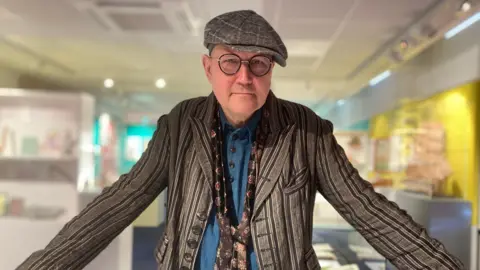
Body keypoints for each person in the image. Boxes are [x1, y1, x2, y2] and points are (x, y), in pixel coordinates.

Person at [18, 9, 463, 270]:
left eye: (259, 64)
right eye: (230, 62)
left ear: (271, 72)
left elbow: (372, 214)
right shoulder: (179, 126)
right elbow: (115, 207)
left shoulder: (307, 131)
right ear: (208, 67)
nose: (244, 76)